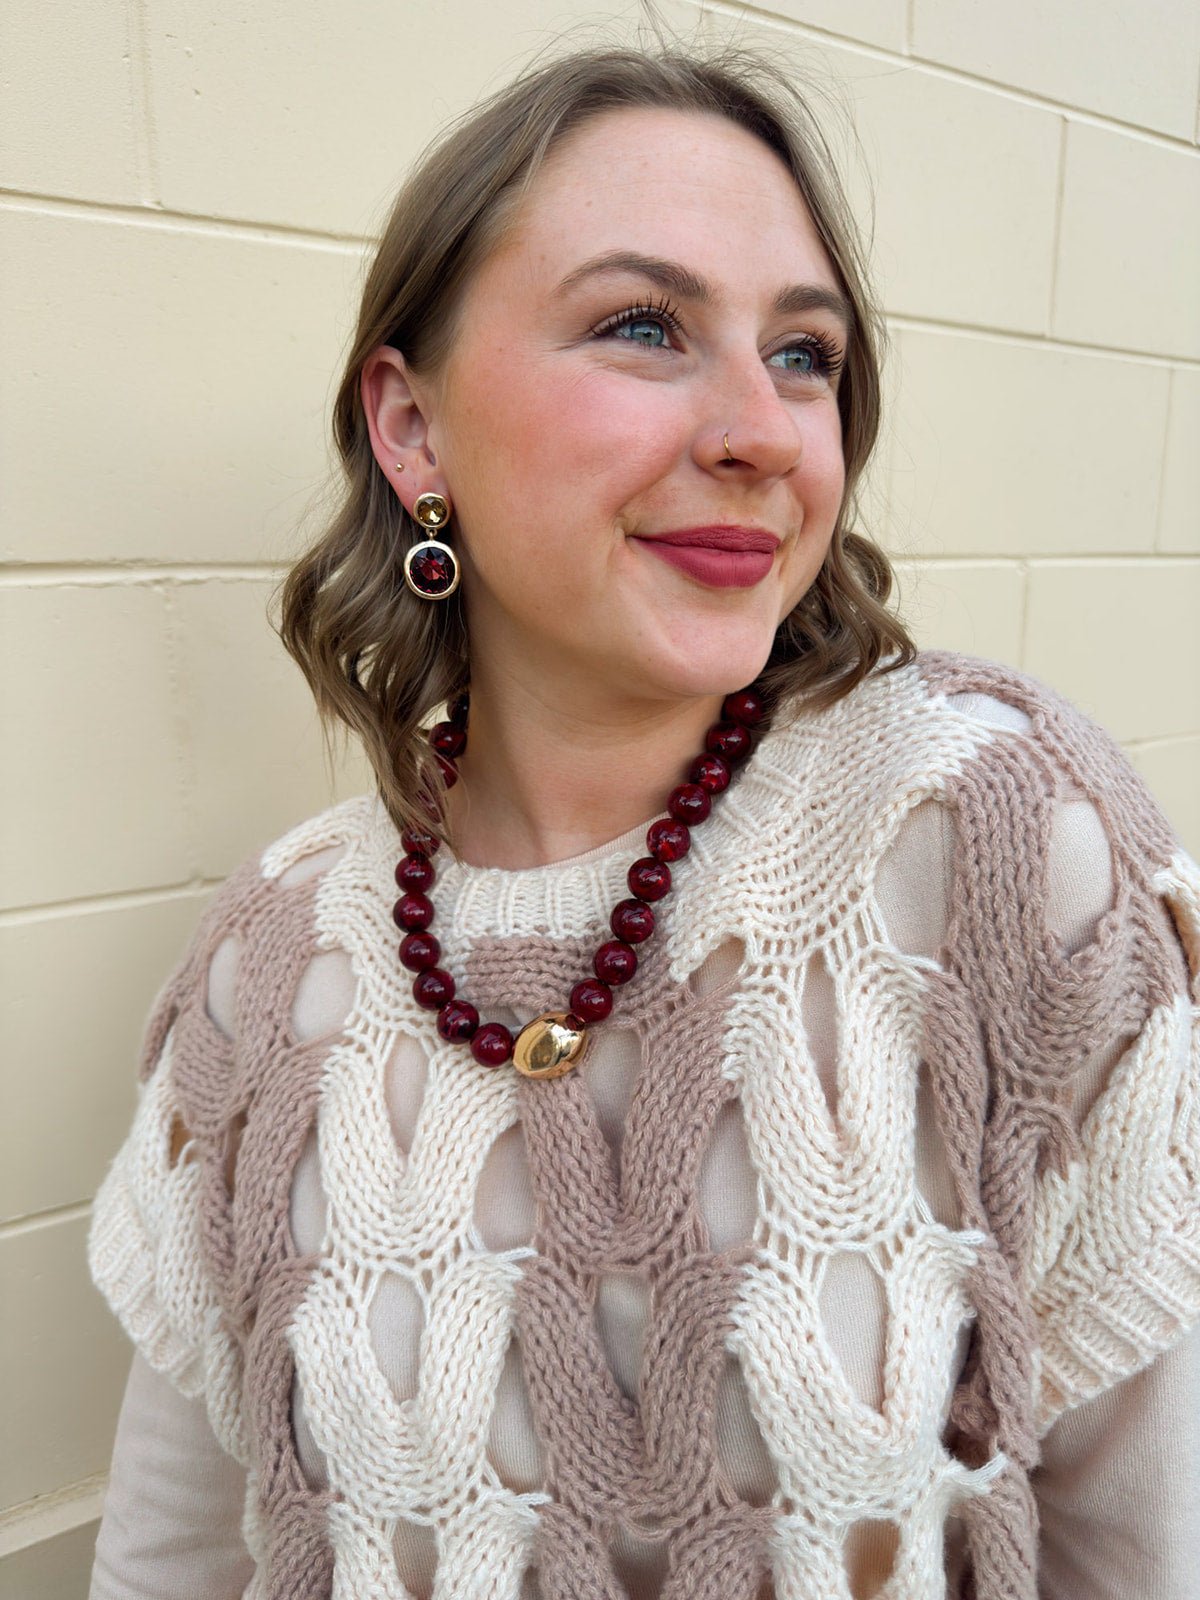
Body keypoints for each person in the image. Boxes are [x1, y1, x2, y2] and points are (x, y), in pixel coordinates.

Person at [86, 40, 1200, 1600]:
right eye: (642, 326)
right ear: (411, 428)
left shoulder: (1000, 848)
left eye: (804, 354)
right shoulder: (269, 964)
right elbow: (170, 1555)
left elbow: (1146, 1542)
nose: (764, 431)